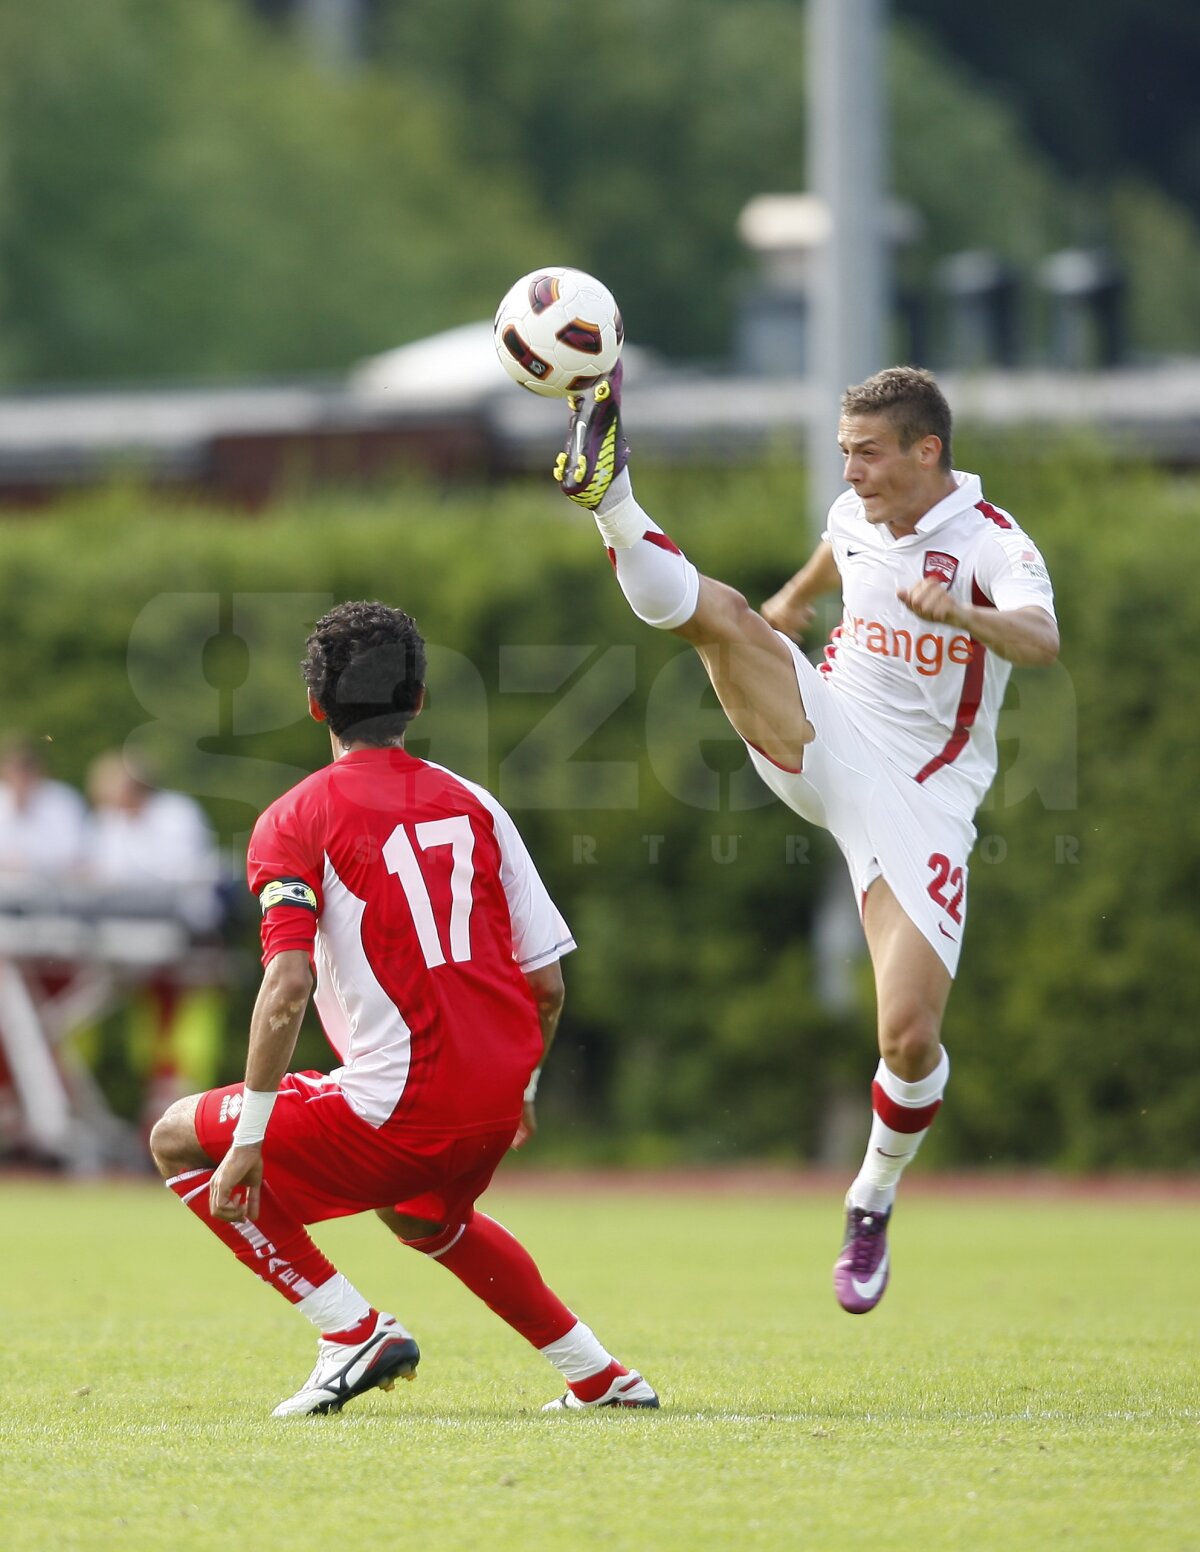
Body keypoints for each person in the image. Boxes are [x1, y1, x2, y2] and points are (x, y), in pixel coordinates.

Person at [553, 362, 1058, 1314]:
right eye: (844, 455)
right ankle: (612, 497)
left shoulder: (993, 542)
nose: (853, 473)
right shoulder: (855, 510)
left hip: (922, 798)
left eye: (868, 455)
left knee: (907, 1040)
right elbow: (839, 548)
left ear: (928, 450)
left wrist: (967, 615)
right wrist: (790, 601)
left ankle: (870, 1199)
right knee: (725, 622)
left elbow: (1042, 638)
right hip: (825, 730)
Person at [149, 601, 657, 1416]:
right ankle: (601, 1377)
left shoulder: (294, 817)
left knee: (177, 1138)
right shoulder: (477, 804)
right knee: (425, 1218)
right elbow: (548, 985)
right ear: (418, 701)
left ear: (315, 706)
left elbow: (286, 988)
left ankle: (350, 1332)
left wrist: (247, 1140)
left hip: (400, 1109)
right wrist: (520, 1091)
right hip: (493, 1105)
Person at [84, 750, 226, 1134]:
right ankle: (160, 1111)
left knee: (185, 1033)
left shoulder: (176, 815)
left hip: (191, 936)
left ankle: (186, 1113)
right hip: (134, 940)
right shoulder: (111, 822)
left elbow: (177, 876)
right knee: (148, 1034)